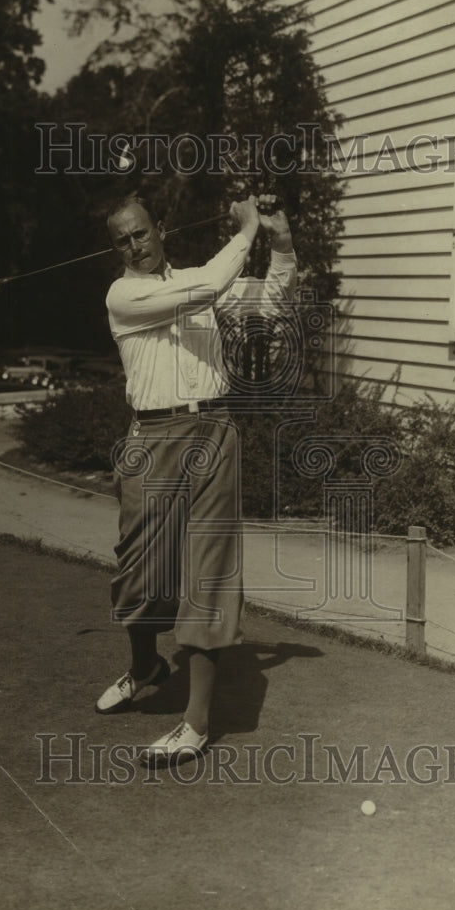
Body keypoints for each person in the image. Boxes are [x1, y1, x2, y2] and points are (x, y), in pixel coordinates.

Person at [95, 192, 297, 765]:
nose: (135, 245)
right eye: (123, 239)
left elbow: (270, 299)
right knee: (137, 571)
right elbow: (207, 286)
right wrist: (248, 229)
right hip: (150, 439)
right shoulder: (126, 294)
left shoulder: (203, 277)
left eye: (141, 232)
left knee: (208, 575)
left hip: (212, 432)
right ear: (117, 248)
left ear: (160, 228)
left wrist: (279, 244)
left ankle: (196, 725)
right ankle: (146, 667)